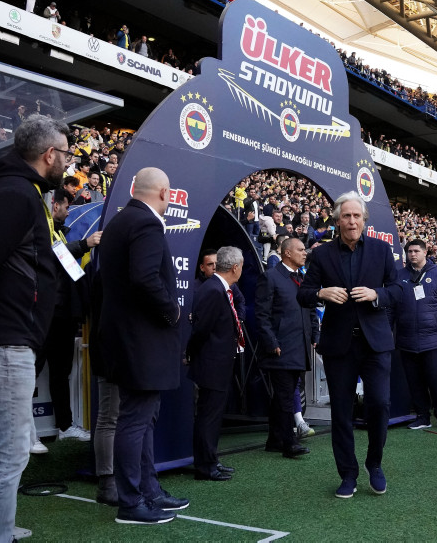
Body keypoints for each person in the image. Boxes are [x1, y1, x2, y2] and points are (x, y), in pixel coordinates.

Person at [0, 114, 69, 542]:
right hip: (1, 340)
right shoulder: (17, 195)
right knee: (7, 455)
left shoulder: (16, 192)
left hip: (1, 336)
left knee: (7, 454)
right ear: (48, 155)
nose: (68, 161)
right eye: (64, 153)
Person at [97, 167, 188, 524]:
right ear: (164, 193)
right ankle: (131, 501)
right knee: (136, 420)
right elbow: (146, 279)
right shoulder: (146, 224)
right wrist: (172, 312)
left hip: (126, 339)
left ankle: (148, 492)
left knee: (143, 418)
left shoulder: (122, 222)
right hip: (141, 340)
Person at [298, 191, 401, 499]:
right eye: (346, 216)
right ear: (337, 219)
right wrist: (322, 293)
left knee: (380, 405)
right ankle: (347, 474)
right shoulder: (322, 254)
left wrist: (376, 295)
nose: (352, 221)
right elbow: (303, 293)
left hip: (376, 343)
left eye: (357, 216)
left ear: (364, 219)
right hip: (339, 344)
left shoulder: (382, 251)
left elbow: (398, 290)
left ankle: (375, 463)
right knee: (341, 412)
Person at [36, 188, 102, 446]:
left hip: (63, 315)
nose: (67, 210)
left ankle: (64, 425)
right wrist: (86, 244)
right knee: (32, 371)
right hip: (45, 314)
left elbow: (70, 270)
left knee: (60, 372)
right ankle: (27, 434)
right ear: (54, 205)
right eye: (65, 206)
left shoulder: (59, 231)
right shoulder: (41, 229)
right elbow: (53, 256)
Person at [255, 238, 319, 457]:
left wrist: (315, 333)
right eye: (301, 250)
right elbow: (261, 315)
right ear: (287, 253)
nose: (305, 253)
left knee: (283, 395)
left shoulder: (303, 279)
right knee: (284, 395)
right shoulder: (270, 277)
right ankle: (289, 443)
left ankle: (274, 439)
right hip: (281, 349)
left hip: (299, 347)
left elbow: (310, 309)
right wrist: (272, 342)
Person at [187, 246, 245, 481]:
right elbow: (202, 330)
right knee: (208, 417)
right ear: (235, 267)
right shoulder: (213, 290)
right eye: (241, 266)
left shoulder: (220, 288)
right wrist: (194, 353)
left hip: (219, 362)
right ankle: (205, 466)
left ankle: (211, 460)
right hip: (211, 364)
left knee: (213, 416)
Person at [393, 239, 437, 431]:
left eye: (416, 251)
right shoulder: (400, 276)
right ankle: (423, 416)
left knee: (435, 378)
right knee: (414, 380)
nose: (412, 254)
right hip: (406, 338)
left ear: (425, 252)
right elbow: (391, 305)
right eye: (409, 251)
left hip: (434, 338)